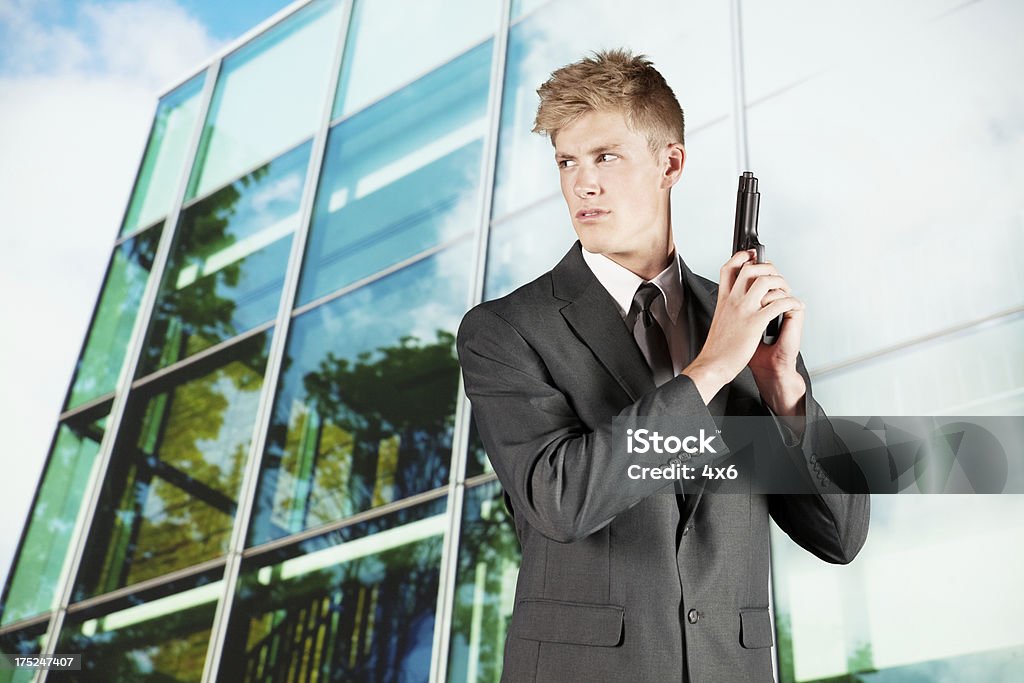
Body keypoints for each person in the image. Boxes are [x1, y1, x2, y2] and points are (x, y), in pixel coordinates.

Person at [456, 49, 869, 683]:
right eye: (567, 161)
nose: (581, 184)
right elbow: (560, 500)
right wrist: (709, 370)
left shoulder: (737, 318)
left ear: (670, 163)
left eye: (606, 157)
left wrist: (785, 393)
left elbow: (838, 538)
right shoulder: (506, 330)